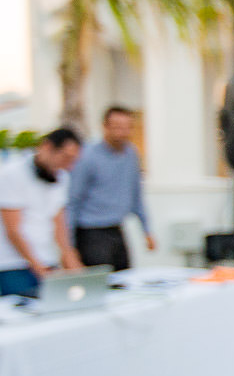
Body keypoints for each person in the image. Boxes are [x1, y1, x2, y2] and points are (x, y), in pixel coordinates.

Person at [67, 106, 155, 271]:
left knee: (124, 279)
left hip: (117, 229)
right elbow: (73, 201)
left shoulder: (131, 154)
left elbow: (136, 194)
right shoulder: (87, 156)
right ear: (105, 126)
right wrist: (69, 249)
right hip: (90, 233)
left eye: (127, 127)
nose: (123, 132)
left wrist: (147, 230)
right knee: (101, 284)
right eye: (117, 127)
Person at [0, 128, 83, 296]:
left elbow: (59, 223)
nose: (68, 165)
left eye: (73, 160)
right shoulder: (11, 174)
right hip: (13, 265)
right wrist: (38, 267)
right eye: (65, 158)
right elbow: (13, 230)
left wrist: (72, 262)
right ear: (46, 147)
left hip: (46, 261)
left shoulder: (62, 177)